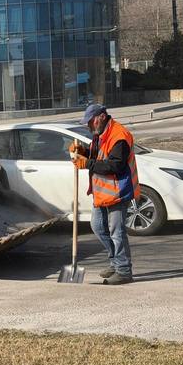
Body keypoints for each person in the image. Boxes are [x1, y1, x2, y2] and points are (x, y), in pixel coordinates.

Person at [70, 104, 140, 285]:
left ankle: (124, 271)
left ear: (101, 117)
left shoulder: (119, 136)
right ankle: (115, 262)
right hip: (102, 193)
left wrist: (87, 164)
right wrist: (83, 152)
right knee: (98, 227)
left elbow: (115, 165)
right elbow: (98, 155)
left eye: (91, 121)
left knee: (117, 232)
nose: (89, 126)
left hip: (118, 191)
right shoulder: (100, 134)